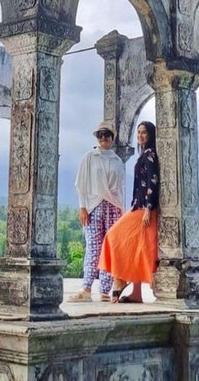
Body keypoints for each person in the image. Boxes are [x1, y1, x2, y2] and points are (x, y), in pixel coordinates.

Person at [98, 120, 159, 303]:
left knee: (114, 235)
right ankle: (136, 293)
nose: (140, 135)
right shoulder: (144, 155)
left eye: (144, 133)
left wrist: (148, 208)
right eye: (139, 132)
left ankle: (120, 280)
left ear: (150, 135)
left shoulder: (149, 155)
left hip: (144, 209)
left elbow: (152, 181)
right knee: (136, 248)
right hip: (138, 206)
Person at [67, 121, 126, 302]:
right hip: (94, 205)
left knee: (110, 249)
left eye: (106, 135)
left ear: (112, 137)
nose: (103, 138)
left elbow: (121, 187)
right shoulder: (90, 157)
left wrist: (122, 209)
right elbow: (81, 184)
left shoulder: (117, 160)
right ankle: (86, 288)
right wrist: (82, 206)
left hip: (113, 206)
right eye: (100, 135)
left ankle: (104, 290)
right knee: (93, 247)